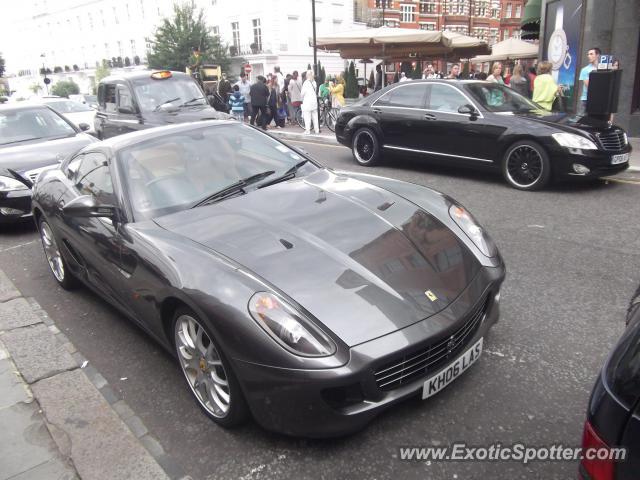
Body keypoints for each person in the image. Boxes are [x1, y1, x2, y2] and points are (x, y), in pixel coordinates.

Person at [579, 47, 600, 114]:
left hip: (600, 99)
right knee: (583, 121)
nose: (589, 56)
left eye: (591, 54)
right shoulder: (585, 70)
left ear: (597, 55)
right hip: (587, 99)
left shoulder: (603, 68)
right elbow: (589, 85)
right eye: (588, 54)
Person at [301, 69, 319, 135]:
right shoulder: (314, 82)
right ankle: (317, 130)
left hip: (307, 102)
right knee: (315, 116)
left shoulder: (306, 82)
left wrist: (302, 98)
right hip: (314, 102)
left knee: (307, 117)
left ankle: (307, 131)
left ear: (307, 75)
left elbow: (302, 93)